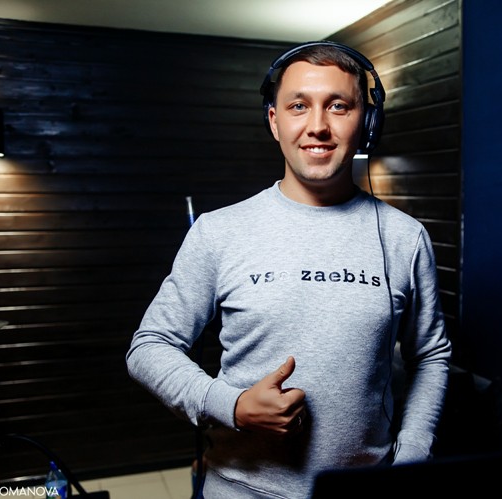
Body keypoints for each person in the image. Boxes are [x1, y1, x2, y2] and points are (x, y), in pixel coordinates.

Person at [126, 40, 451, 499]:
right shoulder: (219, 231)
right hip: (238, 490)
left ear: (367, 122)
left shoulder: (405, 238)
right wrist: (233, 405)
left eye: (338, 106)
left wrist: (413, 453)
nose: (317, 126)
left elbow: (430, 355)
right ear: (274, 121)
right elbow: (149, 347)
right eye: (299, 106)